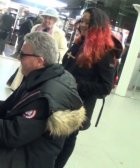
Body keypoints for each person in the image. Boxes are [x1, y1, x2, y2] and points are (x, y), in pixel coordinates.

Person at [0, 32, 86, 168]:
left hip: (26, 158)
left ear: (39, 61)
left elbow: (11, 135)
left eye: (23, 55)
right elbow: (7, 108)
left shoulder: (45, 97)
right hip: (19, 145)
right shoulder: (39, 77)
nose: (19, 58)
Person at [55, 7, 120, 167]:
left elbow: (105, 87)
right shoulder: (79, 43)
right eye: (82, 21)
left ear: (97, 26)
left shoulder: (106, 53)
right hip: (61, 100)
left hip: (78, 107)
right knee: (54, 138)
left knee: (67, 139)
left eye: (87, 22)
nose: (82, 25)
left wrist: (76, 85)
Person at [7, 7, 67, 90]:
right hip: (30, 58)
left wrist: (52, 56)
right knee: (24, 78)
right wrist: (22, 54)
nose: (47, 20)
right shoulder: (36, 28)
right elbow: (28, 41)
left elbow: (63, 50)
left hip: (44, 63)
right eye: (45, 17)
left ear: (55, 20)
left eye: (50, 18)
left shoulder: (59, 33)